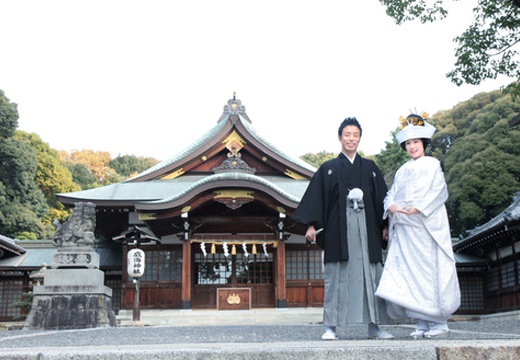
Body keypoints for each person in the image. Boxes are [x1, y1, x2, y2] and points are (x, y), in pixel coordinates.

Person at [293, 117, 392, 340]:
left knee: (372, 274)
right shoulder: (328, 168)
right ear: (340, 137)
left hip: (368, 230)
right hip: (339, 230)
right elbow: (316, 198)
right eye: (347, 134)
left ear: (359, 138)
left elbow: (382, 199)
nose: (351, 139)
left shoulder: (370, 168)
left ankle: (375, 326)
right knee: (336, 275)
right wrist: (310, 225)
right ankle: (331, 327)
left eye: (355, 135)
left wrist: (385, 225)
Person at [375, 113, 461, 338]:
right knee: (410, 274)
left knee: (429, 272)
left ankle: (439, 322)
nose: (412, 147)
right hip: (405, 227)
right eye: (408, 143)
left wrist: (419, 208)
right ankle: (421, 322)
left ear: (423, 143)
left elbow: (439, 191)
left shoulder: (432, 164)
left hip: (425, 227)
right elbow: (391, 194)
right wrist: (391, 206)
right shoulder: (402, 170)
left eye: (416, 142)